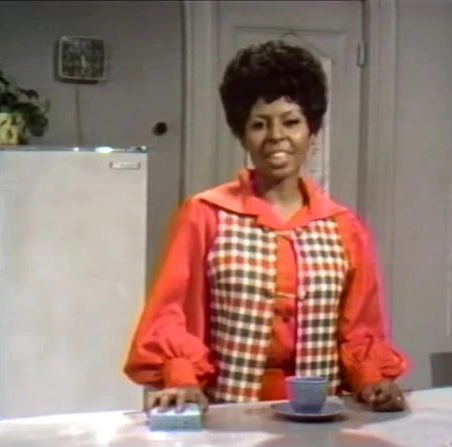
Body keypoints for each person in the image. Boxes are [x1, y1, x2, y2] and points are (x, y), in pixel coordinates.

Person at [123, 40, 409, 413]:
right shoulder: (205, 215)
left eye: (291, 122)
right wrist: (181, 377)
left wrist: (372, 380)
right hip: (230, 416)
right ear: (242, 135)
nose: (276, 136)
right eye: (259, 124)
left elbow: (361, 328)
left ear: (312, 133)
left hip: (320, 419)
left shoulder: (344, 227)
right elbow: (173, 314)